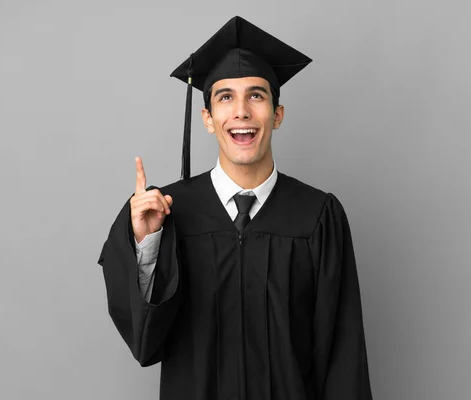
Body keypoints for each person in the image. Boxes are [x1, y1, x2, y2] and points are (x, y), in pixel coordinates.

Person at [98, 16, 373, 400]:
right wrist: (148, 245)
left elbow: (344, 357)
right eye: (225, 97)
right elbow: (146, 346)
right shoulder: (167, 214)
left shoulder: (317, 216)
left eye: (256, 95)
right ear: (208, 119)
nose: (241, 111)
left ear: (277, 114)